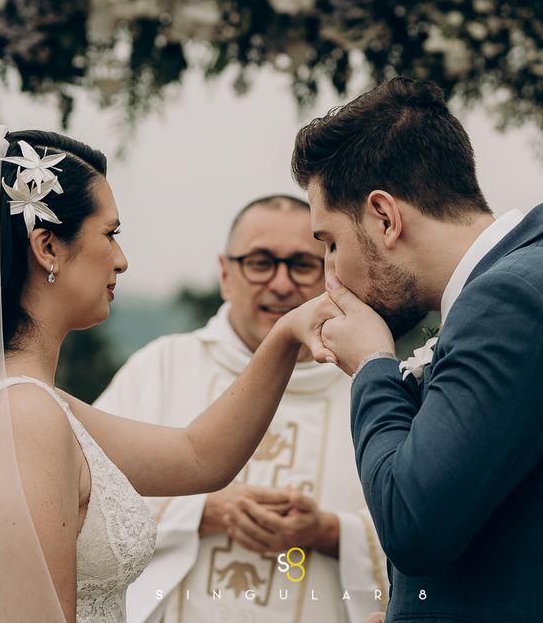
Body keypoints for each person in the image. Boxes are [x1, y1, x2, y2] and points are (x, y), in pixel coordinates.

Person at [0, 127, 331, 623]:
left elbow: (198, 457)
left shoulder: (30, 401)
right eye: (110, 234)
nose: (122, 259)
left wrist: (286, 335)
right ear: (47, 248)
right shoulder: (24, 415)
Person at [289, 78, 543, 622]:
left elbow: (411, 526)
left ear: (384, 217)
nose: (330, 275)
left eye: (329, 242)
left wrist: (373, 366)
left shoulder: (514, 301)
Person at [93, 195, 388, 623]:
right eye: (260, 262)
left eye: (302, 264)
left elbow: (426, 522)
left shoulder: (369, 381)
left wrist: (328, 531)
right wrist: (197, 511)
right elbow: (83, 499)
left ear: (331, 272)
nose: (282, 284)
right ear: (226, 275)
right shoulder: (161, 367)